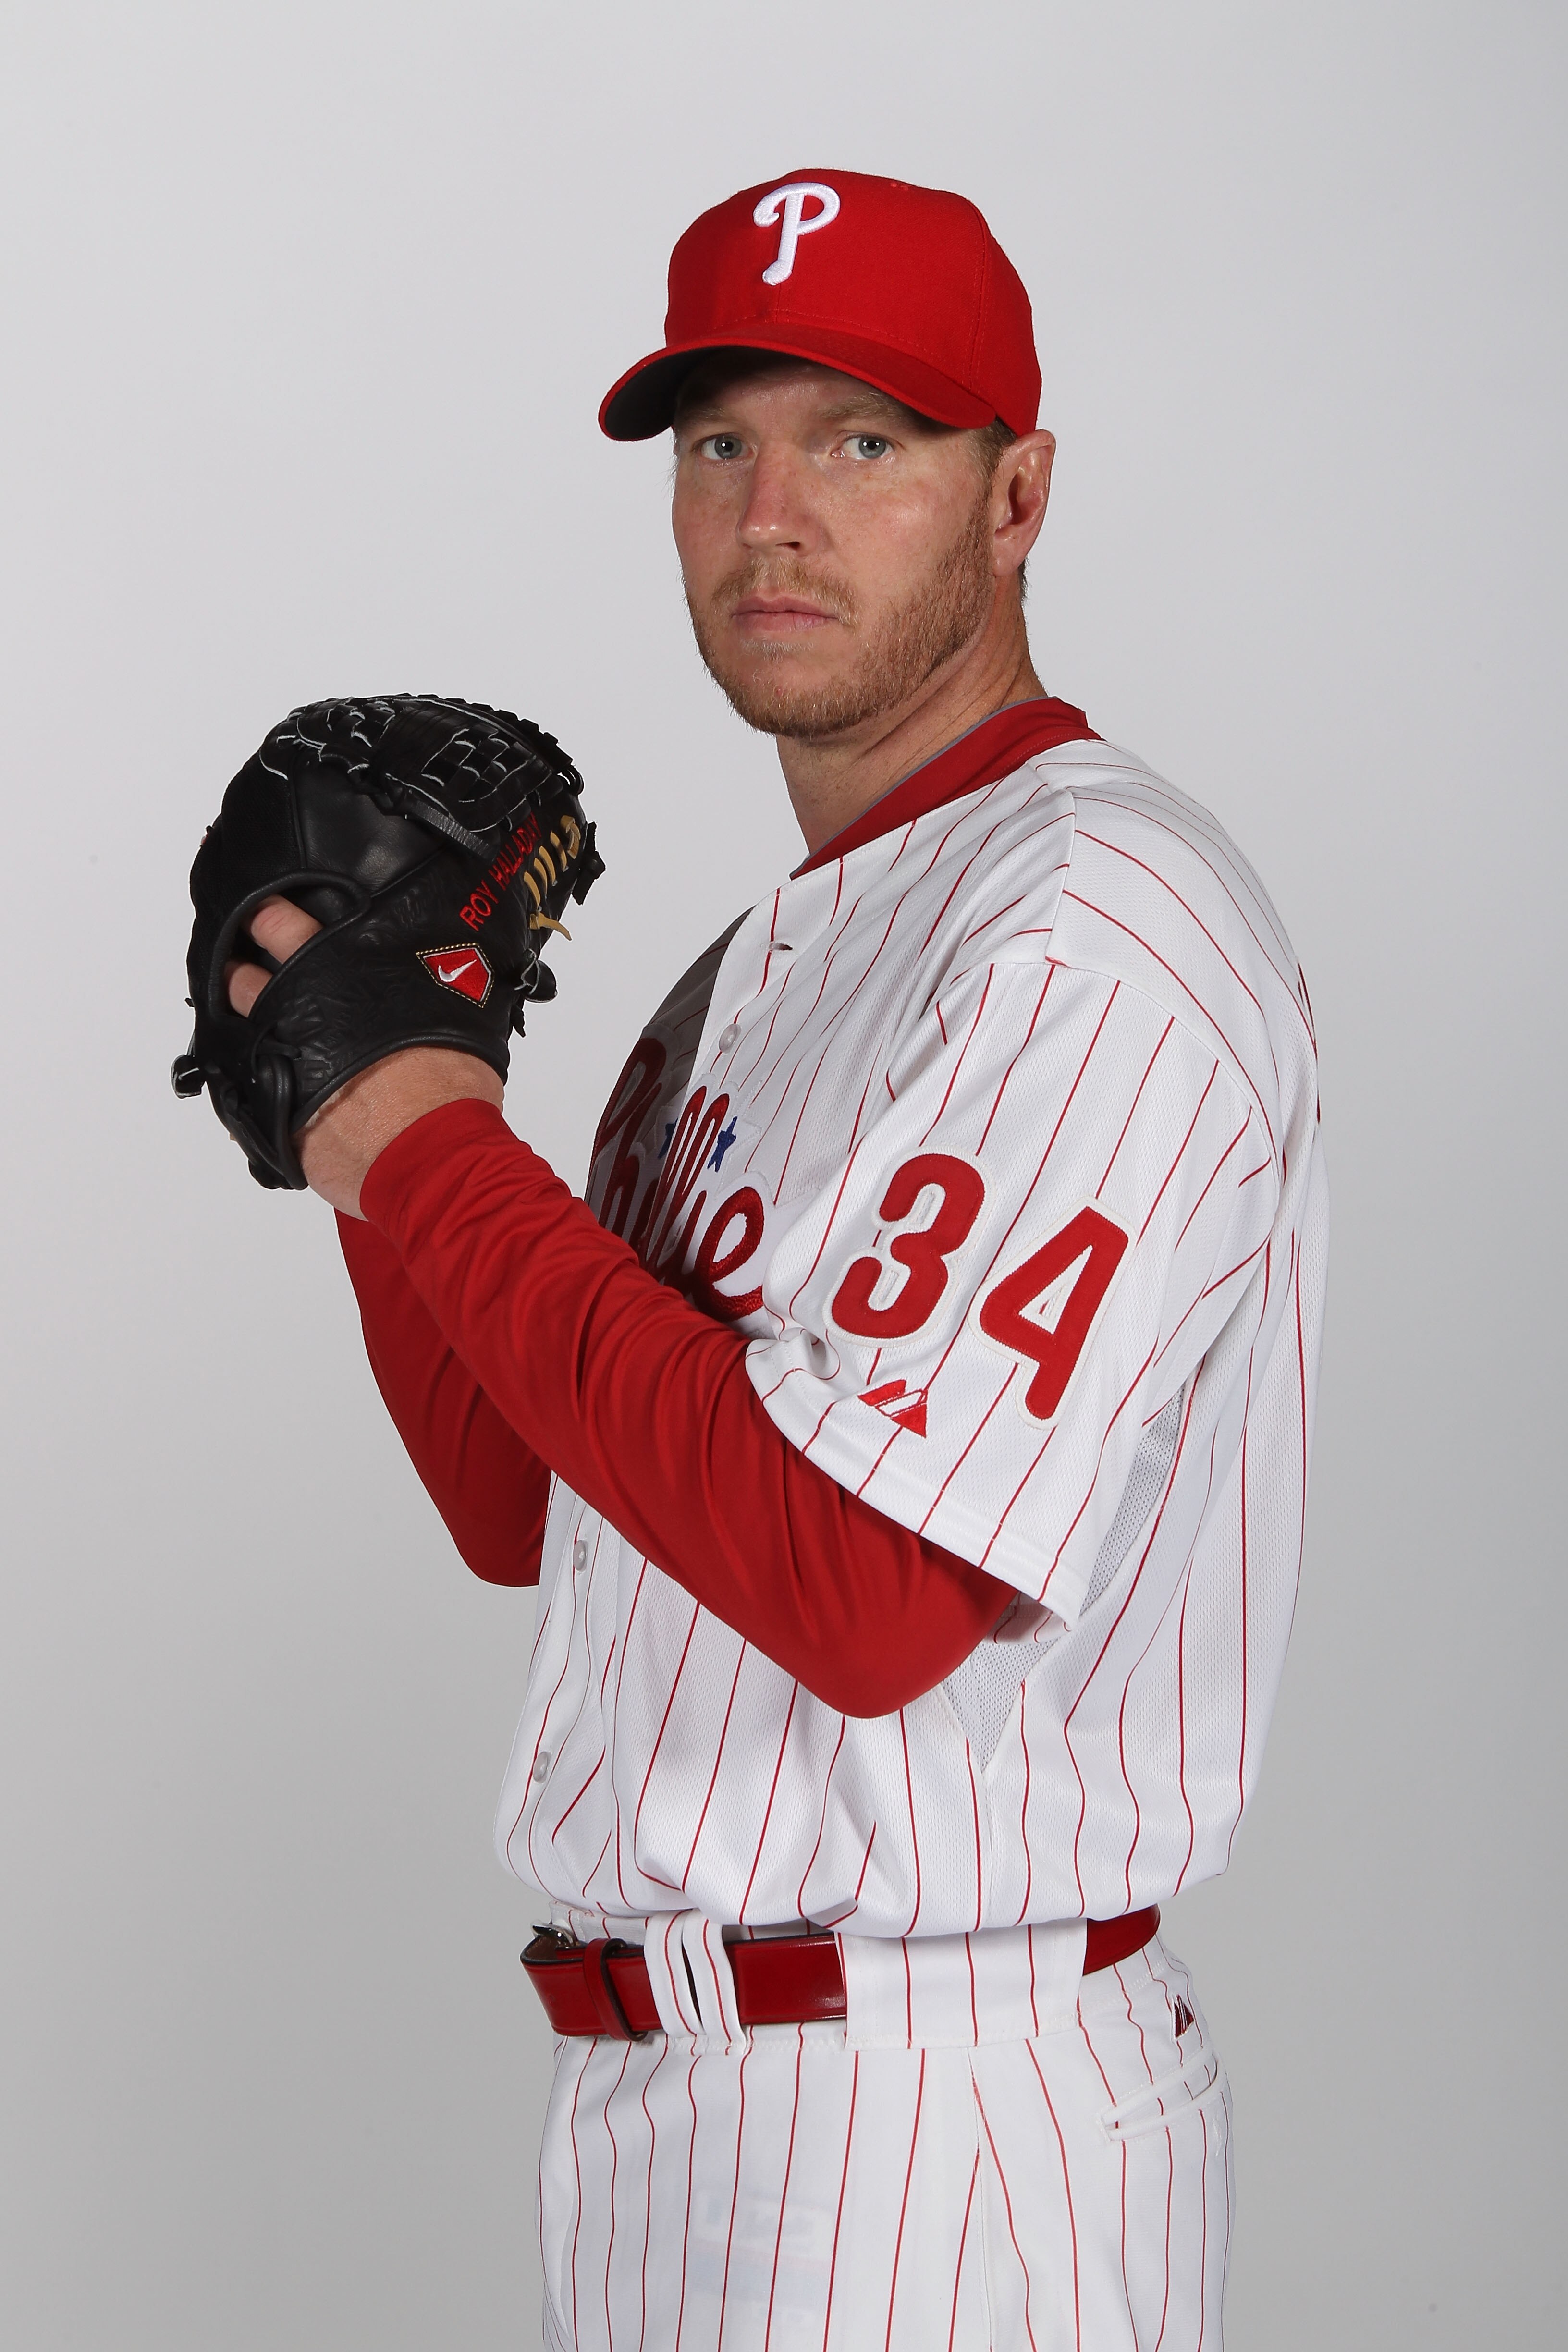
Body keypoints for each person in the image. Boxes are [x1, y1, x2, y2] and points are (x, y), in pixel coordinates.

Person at [225, 169, 1326, 2350]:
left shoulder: (1096, 929)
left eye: (863, 439)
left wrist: (429, 1146)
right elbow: (528, 1499)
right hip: (688, 2111)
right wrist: (382, 1105)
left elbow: (864, 1586)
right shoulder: (756, 973)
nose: (772, 517)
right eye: (720, 442)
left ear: (1017, 496)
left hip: (943, 2115)